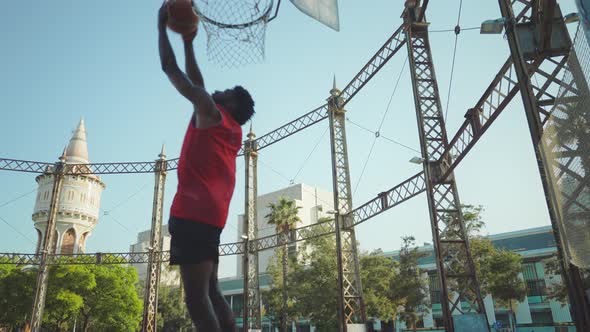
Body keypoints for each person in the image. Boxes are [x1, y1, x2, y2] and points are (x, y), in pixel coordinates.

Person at [157, 2, 255, 331]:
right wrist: (187, 41)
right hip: (212, 216)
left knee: (196, 299)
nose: (218, 90)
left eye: (225, 92)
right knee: (211, 292)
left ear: (230, 104)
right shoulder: (230, 126)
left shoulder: (211, 112)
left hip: (193, 214)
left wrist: (161, 28)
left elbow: (171, 71)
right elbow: (197, 81)